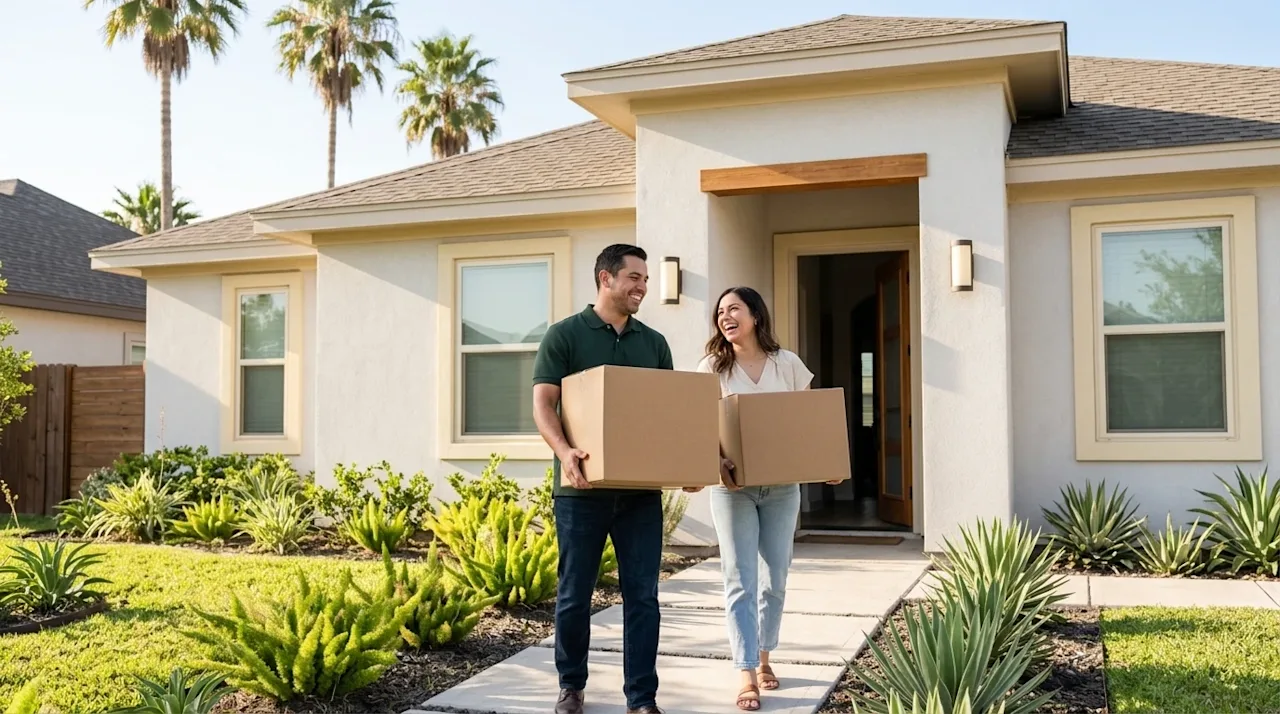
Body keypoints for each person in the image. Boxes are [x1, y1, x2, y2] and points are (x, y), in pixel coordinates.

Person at [532, 243, 673, 714]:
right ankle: (571, 686)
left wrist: (681, 464)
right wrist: (565, 451)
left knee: (644, 598)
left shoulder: (653, 343)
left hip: (638, 495)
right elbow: (543, 403)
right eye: (634, 277)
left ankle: (642, 698)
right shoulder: (565, 335)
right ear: (605, 278)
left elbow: (666, 413)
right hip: (581, 490)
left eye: (646, 280)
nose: (643, 287)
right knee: (574, 595)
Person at [693, 286, 842, 711]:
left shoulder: (787, 365)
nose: (725, 316)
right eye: (719, 311)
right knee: (739, 578)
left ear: (755, 315)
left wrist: (825, 464)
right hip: (732, 490)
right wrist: (716, 462)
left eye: (733, 308)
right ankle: (745, 672)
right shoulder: (711, 368)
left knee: (774, 578)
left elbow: (808, 423)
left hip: (781, 489)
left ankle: (764, 658)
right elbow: (699, 426)